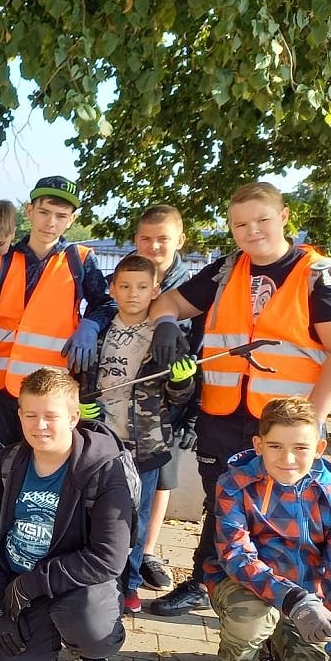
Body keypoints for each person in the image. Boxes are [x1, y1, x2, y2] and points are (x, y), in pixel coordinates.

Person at [148, 182, 331, 617]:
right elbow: (168, 301)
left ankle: (286, 600)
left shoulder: (316, 275)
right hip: (224, 415)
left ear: (283, 217)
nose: (252, 231)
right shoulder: (227, 270)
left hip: (283, 424)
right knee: (222, 503)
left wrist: (314, 419)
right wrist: (166, 322)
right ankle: (206, 583)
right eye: (240, 224)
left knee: (284, 510)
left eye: (262, 220)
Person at [207, 397, 331, 661]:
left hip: (307, 608)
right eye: (275, 446)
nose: (288, 459)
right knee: (253, 614)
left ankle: (274, 643)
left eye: (300, 448)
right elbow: (236, 556)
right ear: (258, 445)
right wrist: (292, 599)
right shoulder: (234, 484)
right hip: (247, 589)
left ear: (319, 448)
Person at [0, 368, 133, 661]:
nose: (39, 426)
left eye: (51, 416)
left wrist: (32, 584)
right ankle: (43, 625)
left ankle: (93, 655)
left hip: (76, 586)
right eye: (30, 415)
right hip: (18, 582)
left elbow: (108, 558)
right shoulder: (7, 463)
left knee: (91, 630)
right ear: (19, 415)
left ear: (73, 417)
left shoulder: (103, 469)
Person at [77, 254, 197, 614]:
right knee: (92, 514)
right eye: (125, 286)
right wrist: (80, 405)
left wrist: (182, 380)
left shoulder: (165, 336)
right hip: (100, 443)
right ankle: (93, 579)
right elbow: (79, 377)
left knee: (134, 519)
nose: (133, 293)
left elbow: (180, 398)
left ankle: (128, 584)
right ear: (112, 289)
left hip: (145, 447)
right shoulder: (99, 333)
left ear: (155, 291)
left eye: (142, 287)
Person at [0, 177, 114, 446]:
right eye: (44, 212)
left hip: (49, 390)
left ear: (72, 220)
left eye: (61, 216)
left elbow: (106, 304)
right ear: (29, 211)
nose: (50, 222)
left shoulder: (80, 260)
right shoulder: (3, 262)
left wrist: (91, 325)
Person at [132, 205, 200, 592]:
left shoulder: (192, 288)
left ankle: (147, 551)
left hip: (173, 399)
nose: (154, 246)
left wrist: (193, 416)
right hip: (128, 401)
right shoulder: (127, 275)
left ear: (180, 240)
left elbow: (203, 347)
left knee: (161, 478)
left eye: (163, 239)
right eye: (146, 238)